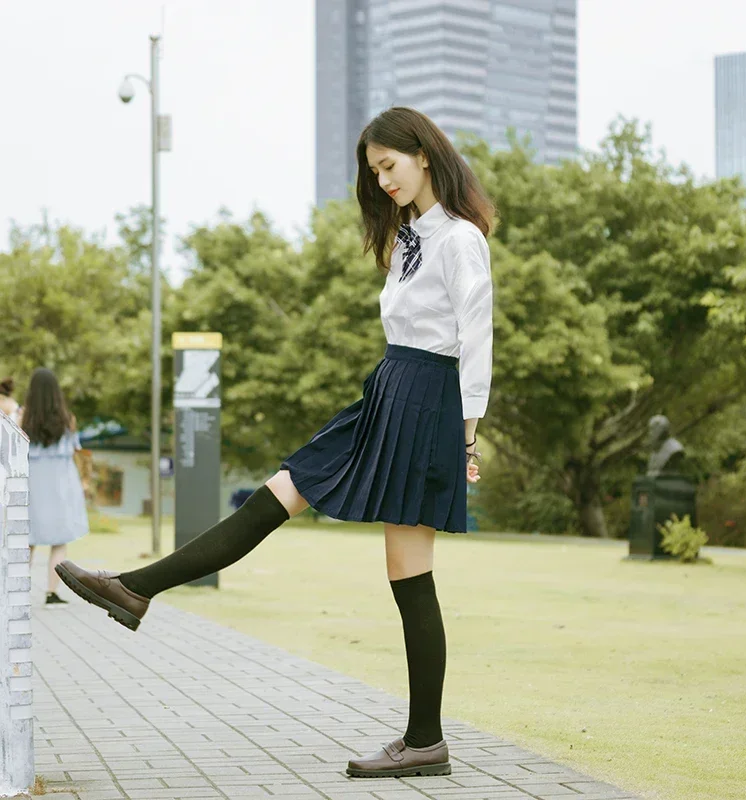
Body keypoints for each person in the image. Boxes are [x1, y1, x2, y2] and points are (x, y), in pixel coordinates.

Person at [56, 106, 494, 779]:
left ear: (424, 155)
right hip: (387, 390)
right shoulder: (409, 236)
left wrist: (465, 438)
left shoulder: (461, 239)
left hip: (428, 405)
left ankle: (425, 740)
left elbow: (476, 343)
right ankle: (135, 588)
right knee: (280, 490)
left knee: (410, 578)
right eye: (373, 172)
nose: (381, 181)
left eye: (389, 166)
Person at [21, 368, 90, 605]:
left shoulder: (22, 418)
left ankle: (19, 591)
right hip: (61, 483)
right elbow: (74, 449)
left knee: (26, 539)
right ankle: (51, 592)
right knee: (59, 540)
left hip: (32, 483)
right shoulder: (68, 419)